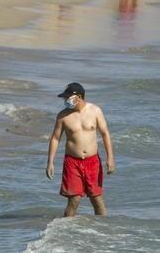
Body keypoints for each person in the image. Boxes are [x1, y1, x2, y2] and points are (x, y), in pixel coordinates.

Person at [45, 82, 115, 217]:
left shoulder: (95, 111)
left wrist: (110, 158)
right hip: (72, 162)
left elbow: (105, 133)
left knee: (97, 199)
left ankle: (102, 230)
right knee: (74, 199)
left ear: (78, 97)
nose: (65, 101)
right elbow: (55, 138)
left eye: (67, 97)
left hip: (92, 162)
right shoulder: (63, 116)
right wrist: (50, 162)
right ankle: (66, 230)